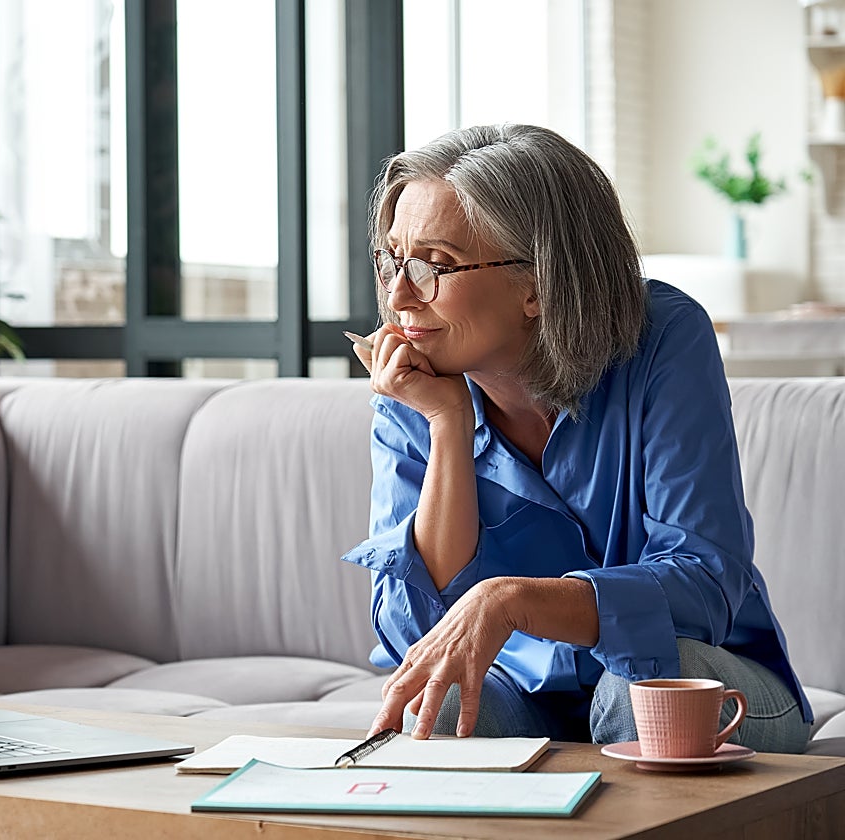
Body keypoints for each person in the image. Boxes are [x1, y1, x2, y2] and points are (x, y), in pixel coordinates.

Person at [340, 123, 812, 752]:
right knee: (442, 701)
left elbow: (704, 585)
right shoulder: (416, 381)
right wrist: (447, 425)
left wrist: (513, 601)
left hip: (705, 676)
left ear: (538, 283)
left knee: (636, 690)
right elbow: (416, 633)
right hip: (525, 691)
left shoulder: (664, 339)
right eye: (391, 260)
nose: (399, 296)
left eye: (434, 266)